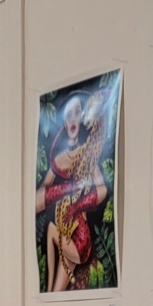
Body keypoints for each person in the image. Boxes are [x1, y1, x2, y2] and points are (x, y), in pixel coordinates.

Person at [38, 91, 110, 291]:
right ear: (63, 122)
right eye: (68, 115)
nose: (72, 119)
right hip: (67, 232)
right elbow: (38, 195)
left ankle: (48, 287)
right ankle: (49, 293)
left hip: (78, 234)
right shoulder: (59, 159)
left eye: (77, 112)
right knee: (56, 294)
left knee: (51, 230)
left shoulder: (86, 156)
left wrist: (77, 205)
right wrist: (63, 192)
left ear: (82, 117)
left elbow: (102, 188)